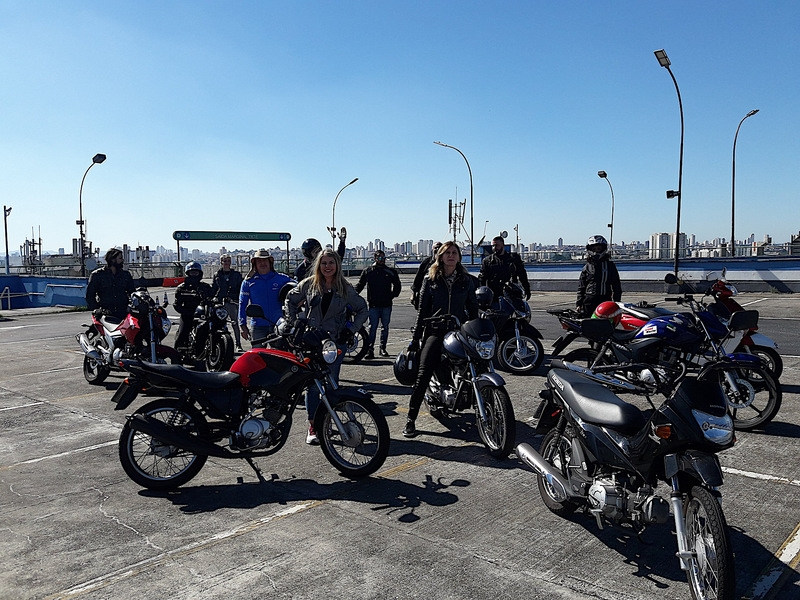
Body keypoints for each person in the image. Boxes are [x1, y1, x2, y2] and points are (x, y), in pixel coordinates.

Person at [285, 248, 368, 445]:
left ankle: (328, 421)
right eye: (324, 263)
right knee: (313, 387)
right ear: (318, 266)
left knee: (331, 384)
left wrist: (352, 329)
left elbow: (362, 308)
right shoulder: (309, 285)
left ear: (337, 265)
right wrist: (293, 323)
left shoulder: (344, 287)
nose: (327, 266)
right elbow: (290, 299)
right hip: (311, 342)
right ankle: (313, 425)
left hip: (333, 344)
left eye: (331, 263)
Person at [403, 241, 478, 438]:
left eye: (454, 252)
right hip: (435, 331)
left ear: (459, 257)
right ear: (441, 257)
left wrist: (476, 330)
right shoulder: (431, 279)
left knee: (478, 365)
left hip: (458, 331)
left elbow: (473, 309)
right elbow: (422, 313)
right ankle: (411, 419)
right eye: (447, 253)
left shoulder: (466, 280)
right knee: (423, 372)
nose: (451, 256)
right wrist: (415, 339)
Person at [239, 249, 292, 347]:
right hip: (258, 326)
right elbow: (242, 304)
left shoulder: (282, 279)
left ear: (270, 262)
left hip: (278, 324)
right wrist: (242, 325)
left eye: (265, 260)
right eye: (259, 261)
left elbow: (299, 289)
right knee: (257, 358)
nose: (262, 263)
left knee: (279, 358)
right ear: (254, 264)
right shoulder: (248, 282)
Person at [355, 249, 402, 359]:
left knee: (385, 327)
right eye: (380, 258)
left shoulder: (390, 271)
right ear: (375, 258)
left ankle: (383, 348)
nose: (382, 260)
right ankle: (369, 349)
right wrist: (352, 295)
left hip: (386, 304)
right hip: (373, 305)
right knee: (372, 328)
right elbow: (360, 285)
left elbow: (397, 284)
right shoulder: (368, 271)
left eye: (384, 258)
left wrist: (392, 295)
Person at [576, 234, 622, 317]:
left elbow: (616, 284)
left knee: (606, 323)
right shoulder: (587, 267)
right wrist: (579, 303)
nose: (596, 251)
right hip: (589, 301)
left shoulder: (610, 266)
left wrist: (617, 301)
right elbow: (581, 287)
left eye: (599, 248)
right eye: (594, 249)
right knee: (587, 323)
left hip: (605, 300)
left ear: (603, 248)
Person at [85, 247, 136, 320]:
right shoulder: (98, 275)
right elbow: (90, 295)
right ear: (112, 260)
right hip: (105, 314)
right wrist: (97, 309)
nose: (123, 260)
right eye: (120, 258)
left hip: (123, 313)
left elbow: (132, 292)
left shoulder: (125, 275)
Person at [174, 261, 213, 351]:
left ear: (200, 273)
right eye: (192, 272)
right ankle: (176, 355)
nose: (194, 274)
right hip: (188, 314)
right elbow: (177, 304)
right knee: (182, 332)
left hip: (203, 314)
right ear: (188, 273)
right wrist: (186, 312)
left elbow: (213, 298)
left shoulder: (205, 286)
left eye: (196, 272)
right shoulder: (182, 288)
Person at [479, 235, 531, 303]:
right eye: (493, 246)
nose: (494, 248)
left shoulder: (513, 259)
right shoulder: (487, 261)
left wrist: (527, 289)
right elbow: (482, 278)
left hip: (511, 294)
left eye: (497, 245)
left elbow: (522, 275)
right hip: (494, 295)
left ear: (503, 245)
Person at [210, 254, 244, 351]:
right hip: (220, 302)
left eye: (228, 261)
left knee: (234, 323)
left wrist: (238, 300)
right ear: (221, 262)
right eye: (225, 261)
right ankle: (221, 344)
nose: (227, 263)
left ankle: (238, 344)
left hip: (232, 302)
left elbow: (240, 288)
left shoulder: (236, 275)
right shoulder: (217, 275)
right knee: (218, 322)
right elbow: (214, 289)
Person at [410, 241, 442, 309]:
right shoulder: (426, 262)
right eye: (436, 248)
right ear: (432, 250)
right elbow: (418, 278)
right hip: (426, 294)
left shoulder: (446, 263)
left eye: (440, 248)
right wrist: (413, 294)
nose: (437, 250)